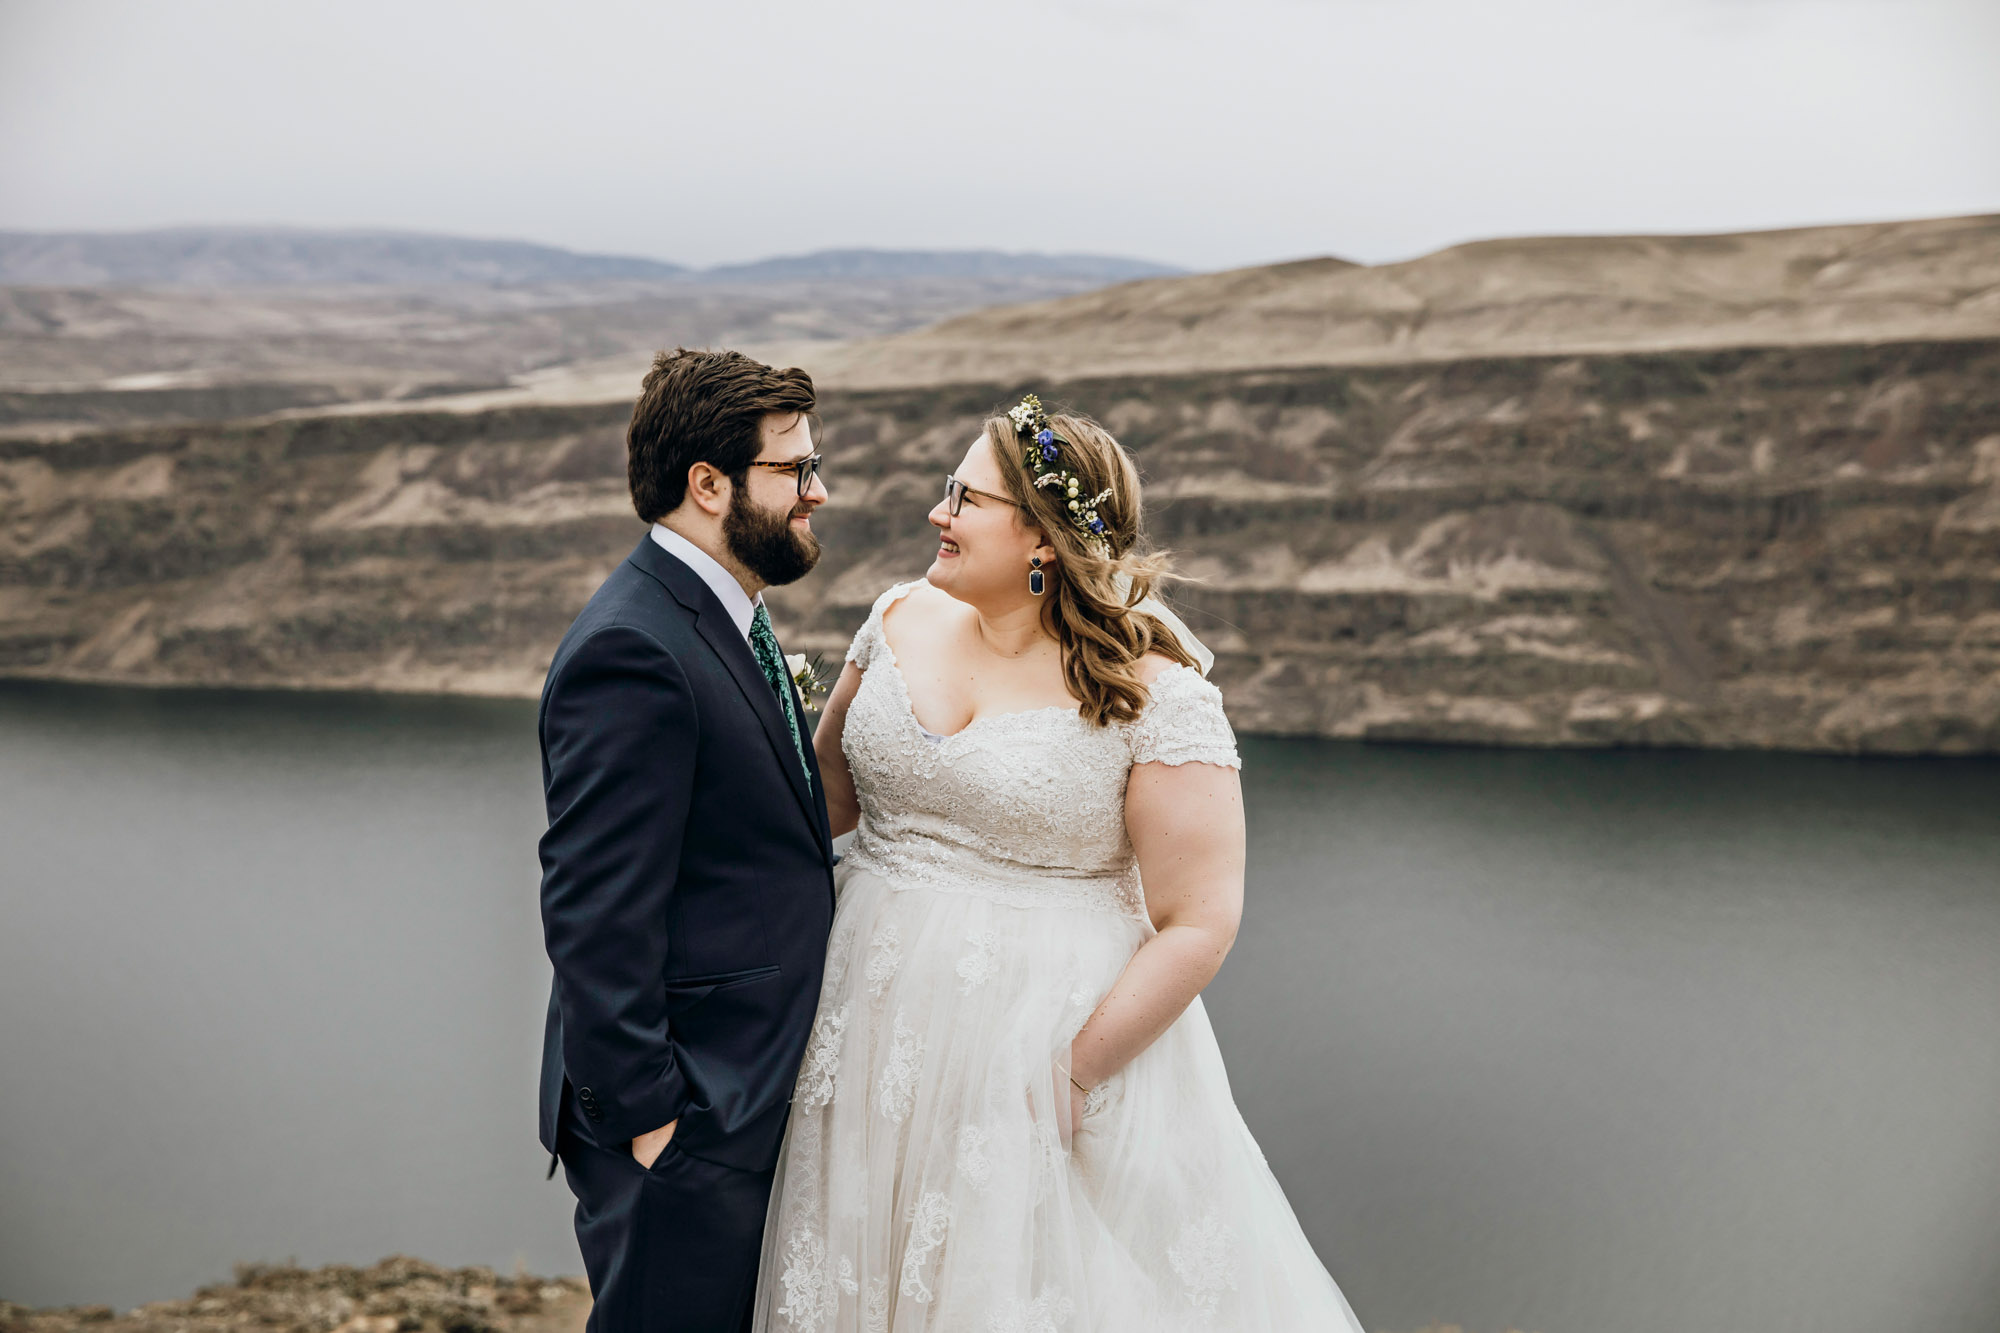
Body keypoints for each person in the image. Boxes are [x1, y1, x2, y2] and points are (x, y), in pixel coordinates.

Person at [749, 396, 1365, 1331]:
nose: (937, 513)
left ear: (1041, 537)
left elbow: (1201, 918)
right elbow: (825, 800)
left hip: (1036, 1043)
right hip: (862, 1018)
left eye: (965, 497)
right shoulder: (897, 617)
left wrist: (1072, 1076)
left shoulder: (1156, 695)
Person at [537, 347, 836, 1333]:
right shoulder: (635, 649)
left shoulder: (718, 621)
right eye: (792, 469)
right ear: (708, 485)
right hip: (685, 1128)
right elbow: (592, 906)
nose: (817, 492)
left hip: (730, 1111)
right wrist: (656, 1122)